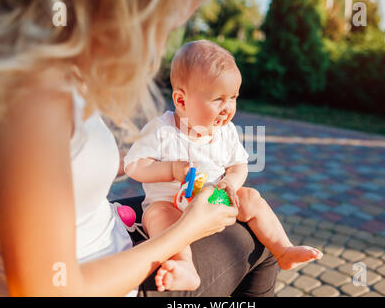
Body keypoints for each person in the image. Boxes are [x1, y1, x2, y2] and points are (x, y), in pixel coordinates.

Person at [0, 0, 278, 297]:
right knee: (259, 246)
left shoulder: (51, 76)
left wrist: (147, 163)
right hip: (112, 283)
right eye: (163, 25)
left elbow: (68, 167)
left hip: (112, 231)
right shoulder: (29, 102)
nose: (159, 45)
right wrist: (186, 231)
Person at [124, 40, 323, 293]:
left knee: (251, 197)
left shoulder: (225, 131)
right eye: (219, 99)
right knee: (157, 217)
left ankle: (283, 249)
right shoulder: (161, 130)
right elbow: (134, 166)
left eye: (233, 98)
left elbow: (239, 166)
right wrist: (171, 170)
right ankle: (185, 266)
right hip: (171, 204)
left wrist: (230, 183)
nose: (228, 108)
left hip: (216, 199)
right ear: (181, 101)